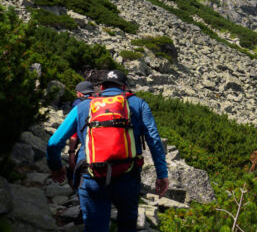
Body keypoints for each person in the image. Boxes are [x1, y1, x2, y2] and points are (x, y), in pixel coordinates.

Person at [47, 70, 169, 231]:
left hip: (91, 175)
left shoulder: (83, 106)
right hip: (128, 175)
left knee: (96, 227)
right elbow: (154, 140)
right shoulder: (139, 104)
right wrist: (162, 174)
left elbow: (54, 143)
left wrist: (56, 167)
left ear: (102, 87)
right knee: (127, 224)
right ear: (124, 87)